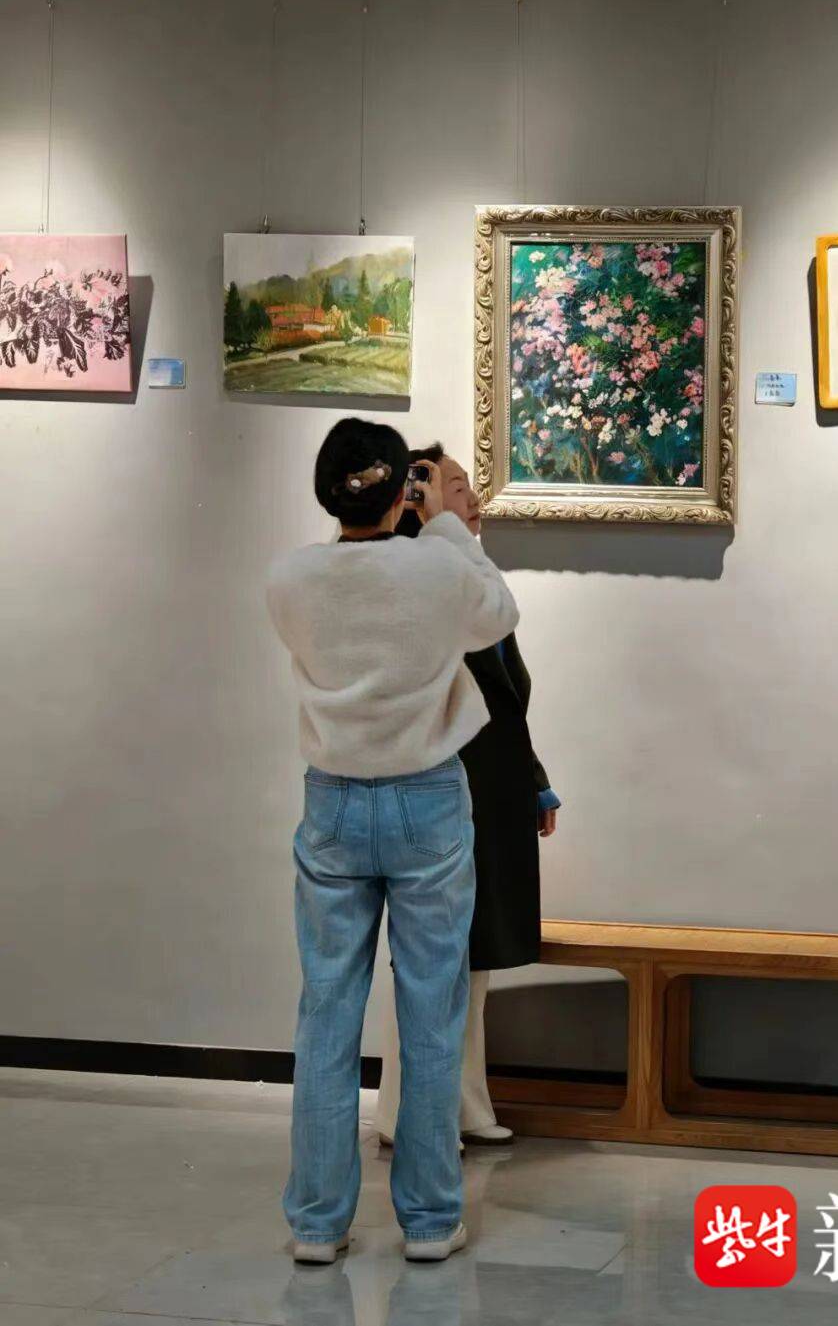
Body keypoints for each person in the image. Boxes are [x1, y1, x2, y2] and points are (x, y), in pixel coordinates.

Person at [266, 419, 519, 1265]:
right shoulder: (438, 568)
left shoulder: (288, 577)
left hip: (333, 800)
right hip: (427, 796)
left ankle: (316, 1221)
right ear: (399, 490)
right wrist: (441, 521)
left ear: (327, 490)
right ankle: (430, 1218)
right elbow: (498, 613)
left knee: (327, 1011)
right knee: (432, 1010)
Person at [375, 446, 560, 1147]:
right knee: (432, 959)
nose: (473, 498)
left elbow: (506, 701)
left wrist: (534, 781)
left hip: (491, 788)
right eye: (455, 486)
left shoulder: (467, 575)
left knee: (471, 956)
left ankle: (464, 1104)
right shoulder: (419, 577)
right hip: (445, 787)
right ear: (416, 498)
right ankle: (405, 1113)